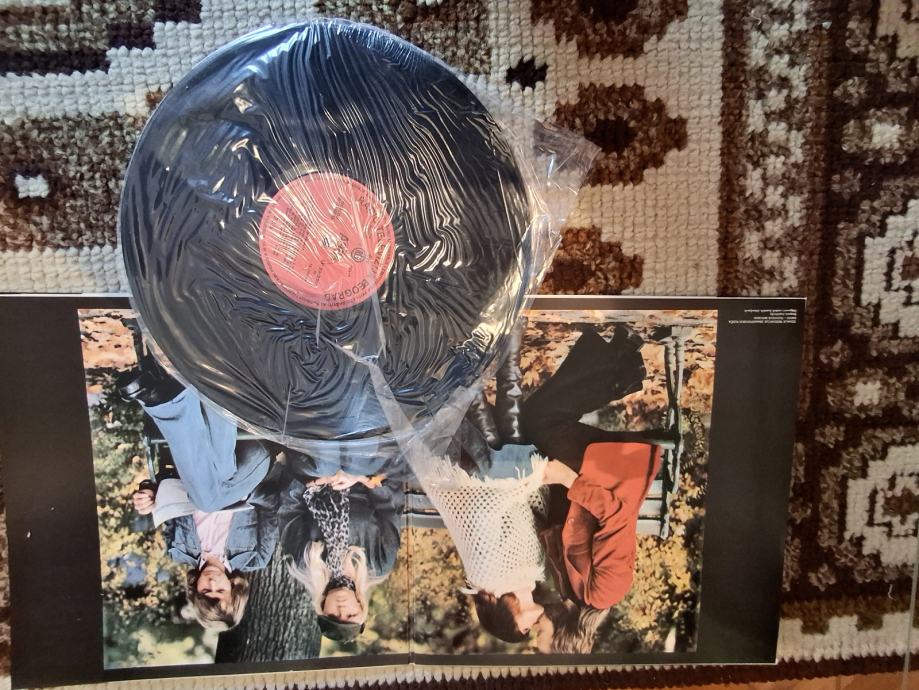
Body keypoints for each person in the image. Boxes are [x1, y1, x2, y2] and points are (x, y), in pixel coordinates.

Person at [122, 354, 287, 630]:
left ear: (195, 588)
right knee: (210, 500)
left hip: (207, 459)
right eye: (219, 590)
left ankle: (215, 377)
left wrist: (150, 495)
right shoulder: (255, 557)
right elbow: (272, 501)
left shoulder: (178, 550)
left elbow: (168, 489)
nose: (211, 583)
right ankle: (167, 401)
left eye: (205, 590)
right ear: (233, 589)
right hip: (252, 464)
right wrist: (235, 498)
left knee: (217, 472)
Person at [522, 325, 671, 610]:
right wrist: (569, 479)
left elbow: (559, 526)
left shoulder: (569, 594)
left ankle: (621, 365)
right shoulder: (606, 592)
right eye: (537, 632)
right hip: (603, 476)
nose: (536, 626)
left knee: (531, 423)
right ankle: (620, 369)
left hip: (574, 477)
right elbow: (617, 516)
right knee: (538, 421)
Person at [279, 454, 404, 643]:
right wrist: (359, 478)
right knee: (357, 458)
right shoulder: (379, 566)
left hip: (315, 474)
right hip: (366, 472)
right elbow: (389, 508)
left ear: (322, 607)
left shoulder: (304, 564)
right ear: (361, 606)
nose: (342, 609)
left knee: (322, 463)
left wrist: (315, 482)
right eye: (351, 615)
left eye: (334, 616)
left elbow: (289, 509)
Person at [532, 601, 609, 654]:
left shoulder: (572, 594)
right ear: (562, 626)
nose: (533, 626)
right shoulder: (599, 597)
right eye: (540, 631)